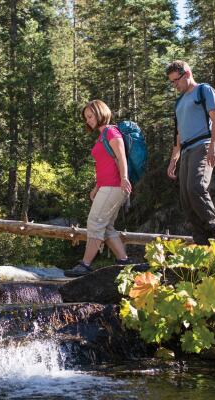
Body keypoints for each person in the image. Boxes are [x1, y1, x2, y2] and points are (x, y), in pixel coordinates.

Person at [65, 100, 133, 277]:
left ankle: (86, 264)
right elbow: (105, 165)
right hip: (107, 185)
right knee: (107, 226)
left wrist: (124, 178)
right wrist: (97, 186)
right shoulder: (102, 135)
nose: (88, 120)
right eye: (86, 118)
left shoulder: (111, 131)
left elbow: (121, 157)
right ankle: (124, 261)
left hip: (115, 185)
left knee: (95, 222)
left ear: (100, 113)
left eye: (90, 116)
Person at [165, 60, 215, 245]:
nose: (174, 85)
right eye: (172, 82)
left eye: (176, 80)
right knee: (185, 197)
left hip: (203, 145)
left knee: (196, 187)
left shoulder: (204, 90)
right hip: (186, 151)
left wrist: (214, 145)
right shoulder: (179, 102)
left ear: (187, 74)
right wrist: (173, 159)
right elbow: (179, 133)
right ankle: (202, 243)